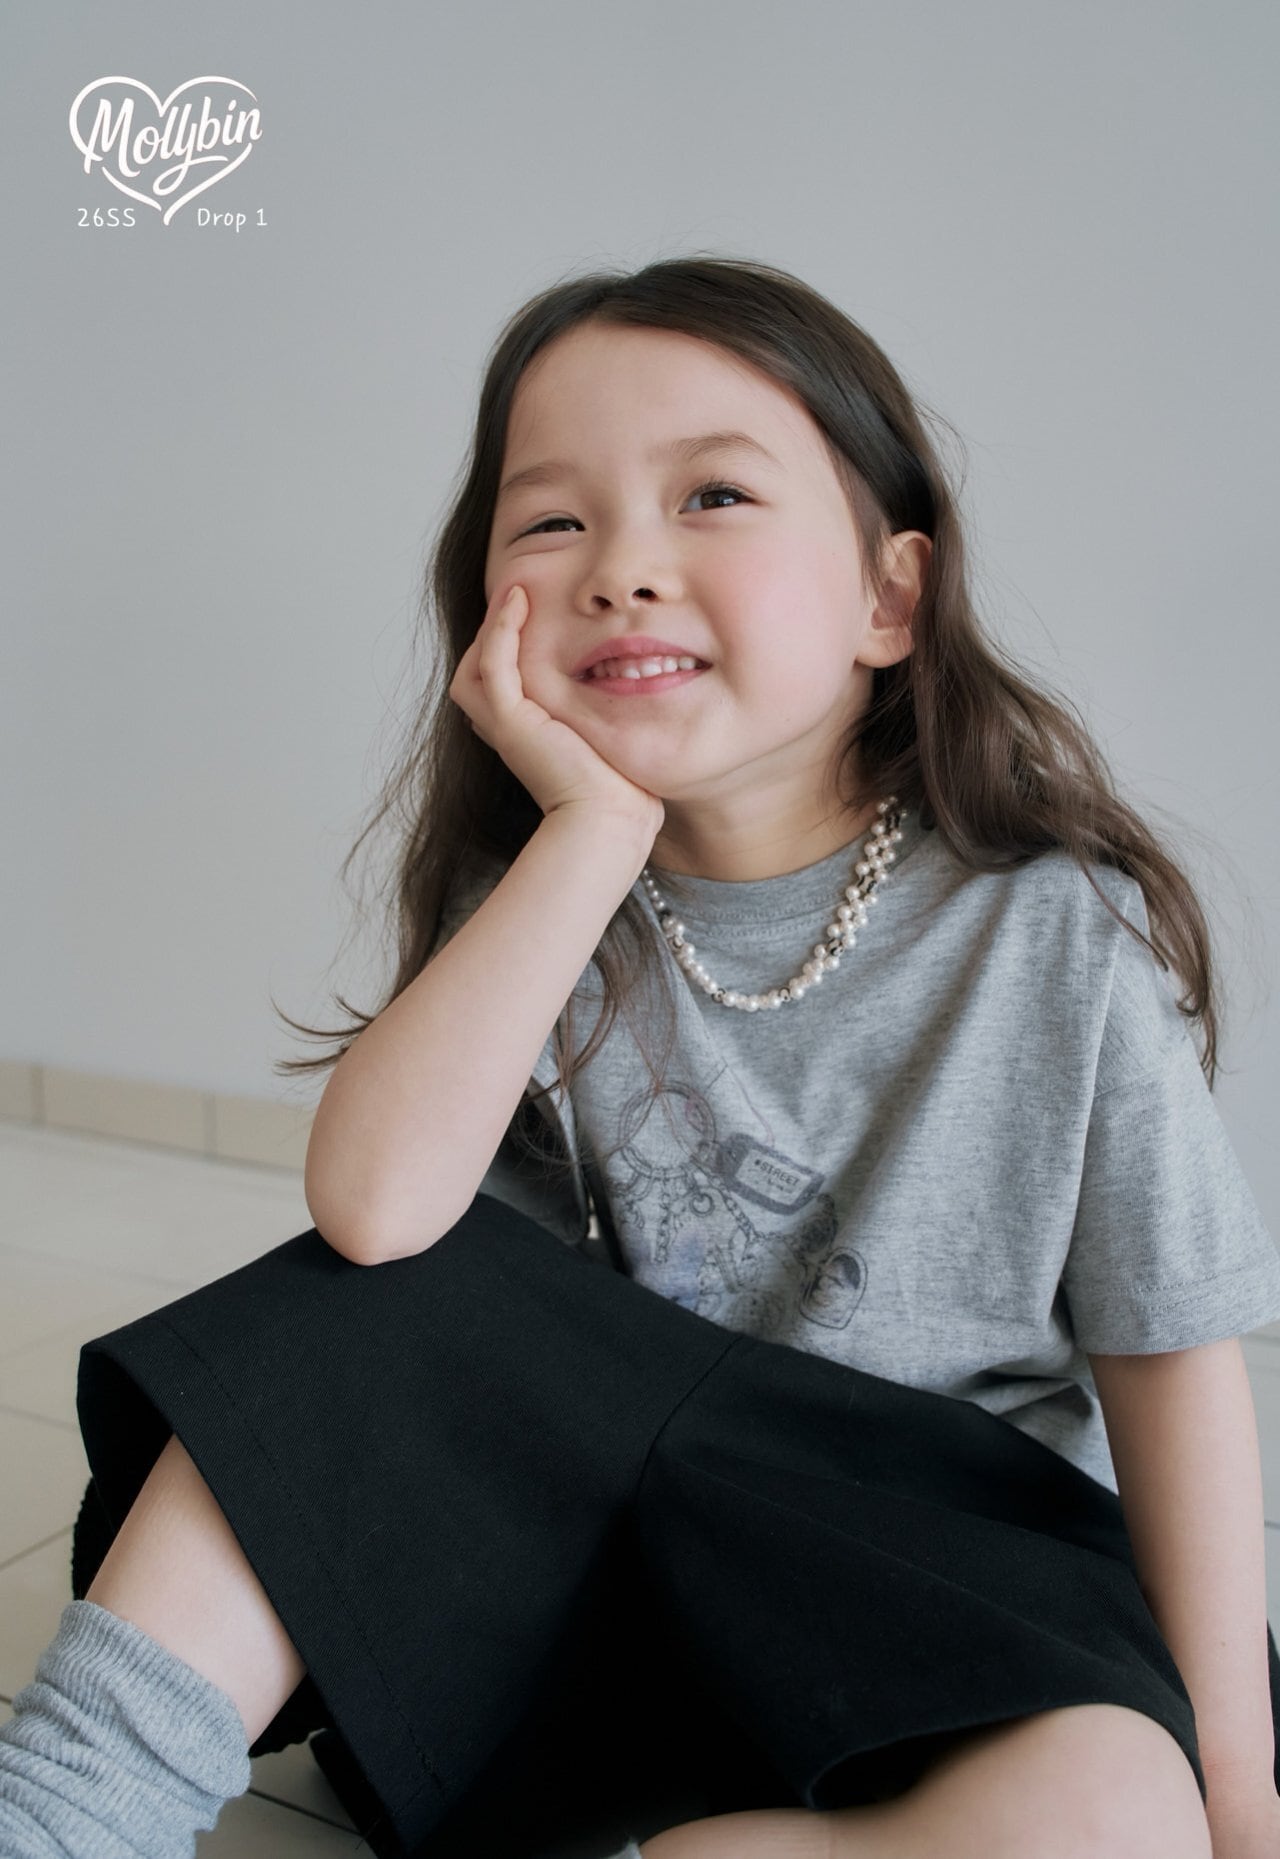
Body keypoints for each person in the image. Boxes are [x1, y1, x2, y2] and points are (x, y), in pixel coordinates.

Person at [3, 254, 1279, 1859]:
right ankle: (68, 1808)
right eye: (552, 522)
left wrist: (1240, 1789)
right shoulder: (543, 889)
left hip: (930, 1564)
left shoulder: (1051, 932)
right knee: (349, 1313)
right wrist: (595, 831)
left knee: (1115, 1811)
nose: (622, 571)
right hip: (615, 1556)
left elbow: (1174, 1365)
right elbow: (376, 1218)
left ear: (889, 599)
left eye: (714, 498)